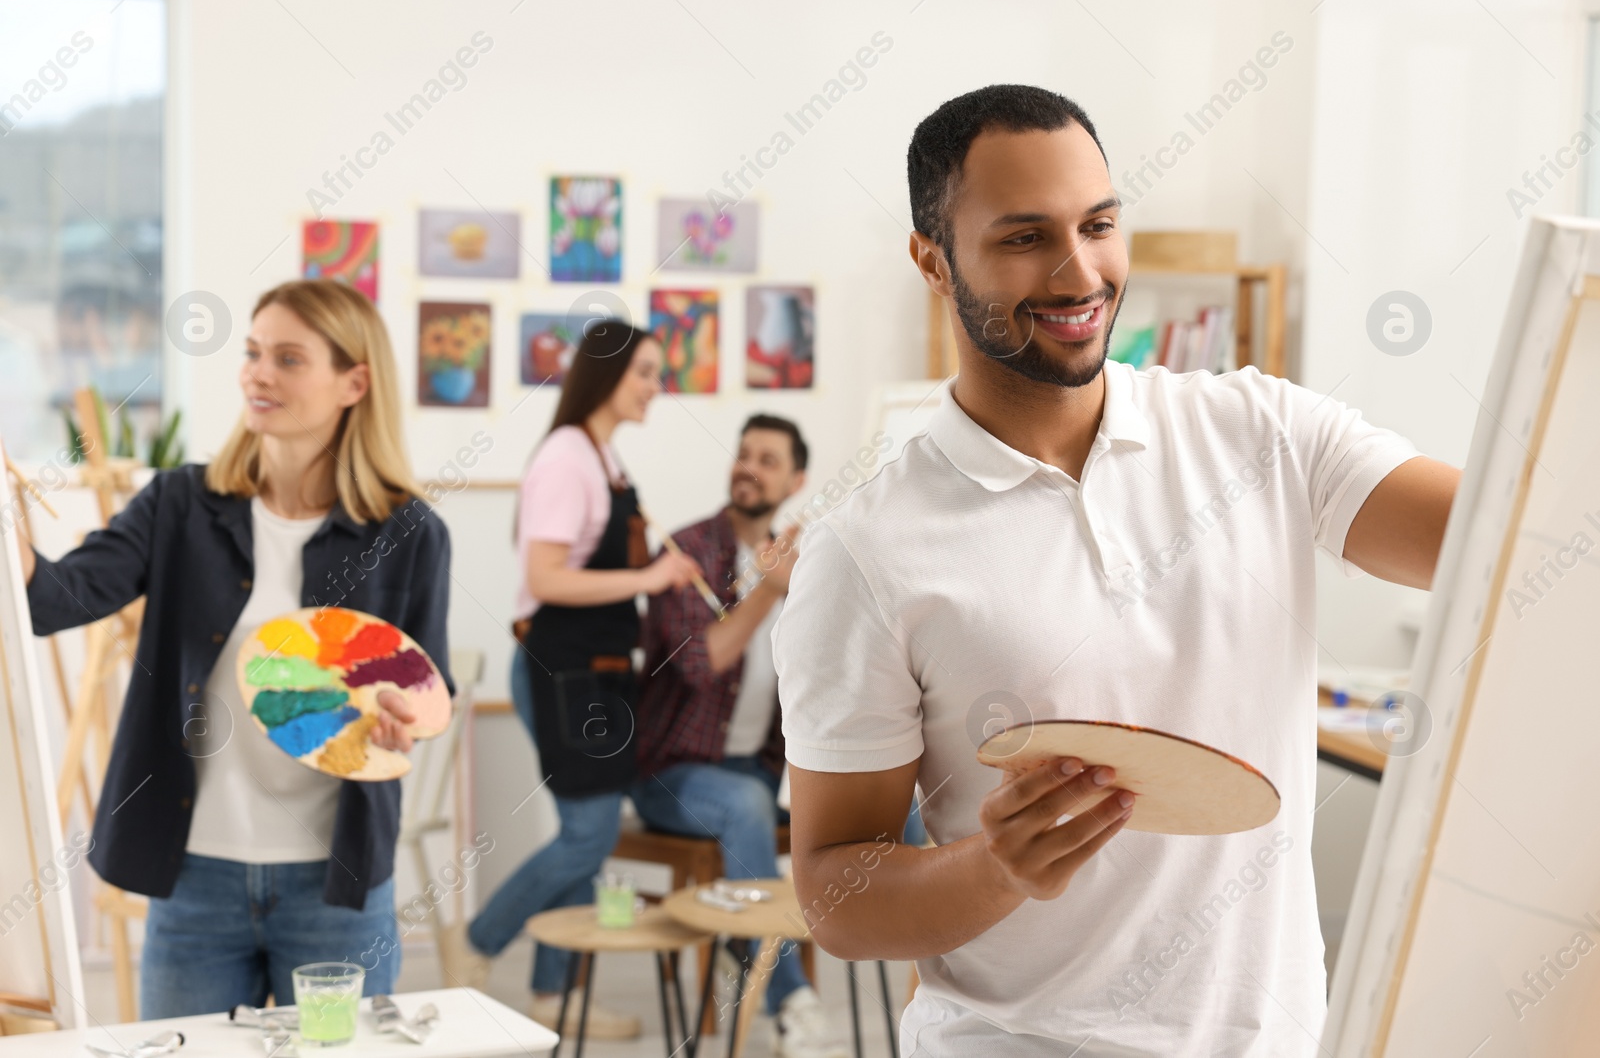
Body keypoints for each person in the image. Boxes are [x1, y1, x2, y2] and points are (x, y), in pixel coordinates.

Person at [774, 85, 1463, 1056]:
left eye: (1098, 224)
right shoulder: (867, 548)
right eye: (1022, 237)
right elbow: (836, 896)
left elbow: (1495, 537)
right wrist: (995, 867)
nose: (1078, 270)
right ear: (932, 259)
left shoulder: (1263, 430)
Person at [21, 279, 449, 1017]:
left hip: (337, 886)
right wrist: (7, 525)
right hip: (195, 877)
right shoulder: (180, 503)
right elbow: (52, 598)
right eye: (252, 353)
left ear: (355, 382)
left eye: (288, 358)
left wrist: (402, 719)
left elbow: (427, 689)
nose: (258, 373)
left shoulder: (408, 531)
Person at [441, 319, 698, 1038]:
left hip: (598, 674)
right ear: (608, 374)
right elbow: (544, 577)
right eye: (646, 371)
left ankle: (554, 993)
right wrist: (649, 575)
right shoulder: (566, 457)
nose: (655, 386)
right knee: (588, 835)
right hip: (564, 672)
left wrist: (659, 568)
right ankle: (477, 942)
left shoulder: (603, 457)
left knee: (583, 833)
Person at [631, 415, 847, 1058]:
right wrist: (766, 591)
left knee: (908, 801)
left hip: (760, 770)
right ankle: (793, 1004)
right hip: (670, 774)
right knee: (746, 805)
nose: (749, 467)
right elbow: (699, 666)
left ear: (796, 480)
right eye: (744, 454)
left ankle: (950, 976)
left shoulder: (807, 561)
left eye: (768, 460)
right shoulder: (684, 551)